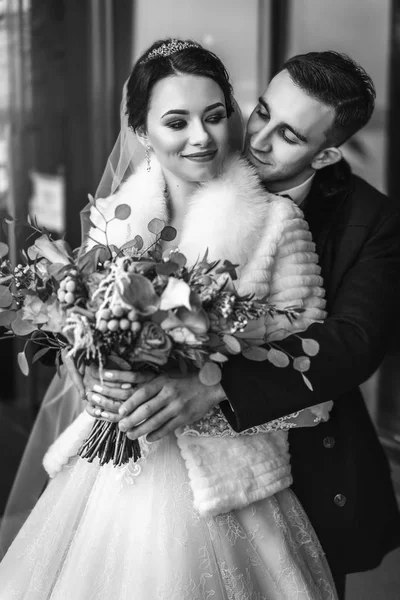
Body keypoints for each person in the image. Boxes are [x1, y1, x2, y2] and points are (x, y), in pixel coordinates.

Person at [0, 39, 337, 599]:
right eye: (177, 121)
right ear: (140, 132)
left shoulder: (277, 224)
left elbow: (311, 382)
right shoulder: (111, 221)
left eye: (214, 116)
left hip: (227, 481)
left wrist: (214, 390)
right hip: (110, 471)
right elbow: (79, 335)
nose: (202, 137)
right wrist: (91, 374)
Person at [84, 51, 400, 599]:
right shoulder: (187, 166)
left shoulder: (371, 222)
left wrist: (214, 387)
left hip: (303, 451)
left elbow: (354, 343)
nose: (257, 141)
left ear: (324, 156)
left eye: (289, 135)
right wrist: (99, 362)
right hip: (155, 457)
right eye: (260, 113)